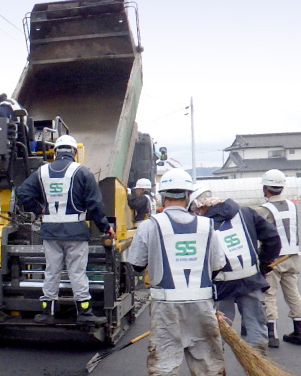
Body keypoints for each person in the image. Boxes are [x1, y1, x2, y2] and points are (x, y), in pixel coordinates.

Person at [127, 169, 226, 375]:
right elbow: (218, 266)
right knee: (209, 365)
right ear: (188, 196)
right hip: (202, 305)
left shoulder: (149, 225)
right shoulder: (207, 225)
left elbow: (136, 265)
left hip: (166, 307)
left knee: (163, 365)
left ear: (162, 196)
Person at [16, 134, 114, 325]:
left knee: (52, 271)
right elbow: (94, 205)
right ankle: (84, 313)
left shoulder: (41, 172)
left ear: (55, 152)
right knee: (77, 272)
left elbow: (22, 193)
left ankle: (47, 313)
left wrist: (39, 209)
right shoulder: (82, 172)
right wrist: (105, 227)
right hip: (75, 232)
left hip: (50, 232)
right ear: (74, 152)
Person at [189, 190, 281, 355]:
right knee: (256, 325)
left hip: (222, 285)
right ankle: (258, 362)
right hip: (251, 279)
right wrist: (265, 261)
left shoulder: (202, 226)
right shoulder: (246, 213)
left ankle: (215, 366)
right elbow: (272, 237)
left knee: (220, 327)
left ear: (200, 207)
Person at [256, 169, 301, 347]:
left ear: (265, 189)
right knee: (293, 293)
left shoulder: (264, 210)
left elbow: (258, 236)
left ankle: (272, 335)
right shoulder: (293, 206)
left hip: (274, 258)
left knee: (270, 295)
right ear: (282, 188)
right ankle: (300, 332)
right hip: (292, 255)